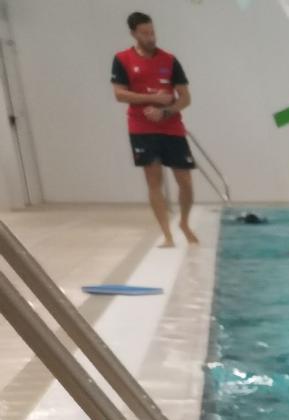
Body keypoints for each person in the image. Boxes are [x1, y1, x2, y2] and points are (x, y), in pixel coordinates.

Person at [111, 11, 195, 249]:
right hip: (141, 127)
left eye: (152, 32)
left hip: (172, 126)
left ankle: (185, 223)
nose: (151, 37)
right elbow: (119, 94)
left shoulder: (169, 60)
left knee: (185, 180)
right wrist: (152, 98)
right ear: (134, 34)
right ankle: (167, 233)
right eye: (145, 33)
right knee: (154, 180)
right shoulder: (122, 59)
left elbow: (185, 98)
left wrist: (166, 110)